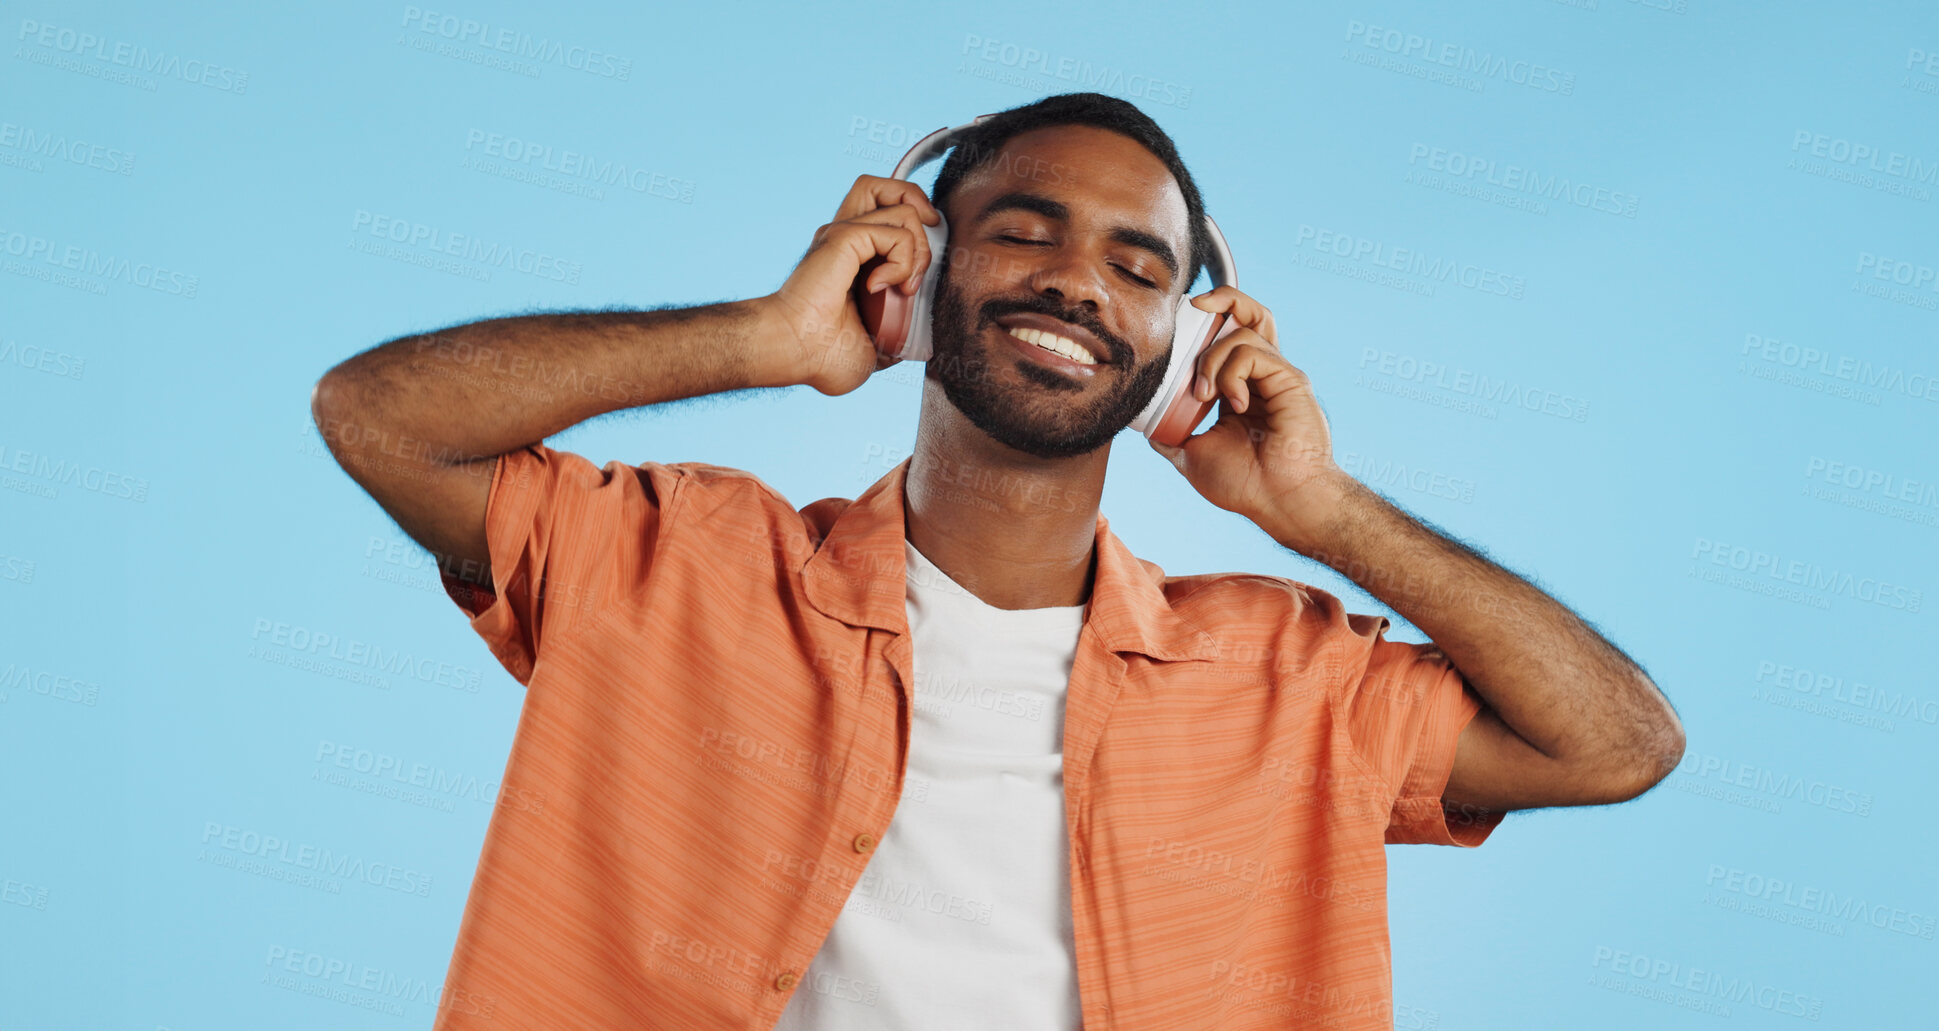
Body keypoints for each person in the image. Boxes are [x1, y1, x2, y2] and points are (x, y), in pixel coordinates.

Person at [312, 92, 1685, 1031]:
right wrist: (766, 340)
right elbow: (376, 420)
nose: (1079, 281)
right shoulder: (668, 565)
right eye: (1026, 228)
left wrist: (1320, 510)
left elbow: (1613, 744)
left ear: (1184, 353)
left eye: (1140, 268)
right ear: (914, 270)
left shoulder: (1294, 682)